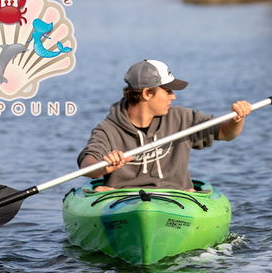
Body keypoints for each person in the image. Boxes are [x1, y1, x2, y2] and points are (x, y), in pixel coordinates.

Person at [77, 59, 252, 191]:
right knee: (100, 189)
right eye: (167, 90)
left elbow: (226, 133)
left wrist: (236, 119)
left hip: (175, 200)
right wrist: (102, 165)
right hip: (124, 205)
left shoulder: (183, 118)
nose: (173, 96)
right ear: (147, 93)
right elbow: (87, 164)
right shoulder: (108, 129)